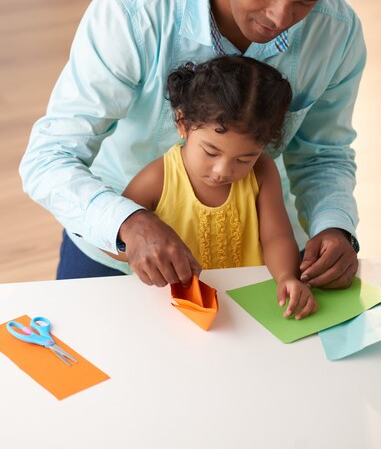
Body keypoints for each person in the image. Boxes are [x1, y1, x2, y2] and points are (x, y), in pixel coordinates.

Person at [19, 0, 366, 289]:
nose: (280, 18)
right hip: (116, 246)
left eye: (306, 2)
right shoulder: (134, 11)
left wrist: (335, 227)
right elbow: (49, 156)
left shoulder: (337, 33)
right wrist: (129, 221)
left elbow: (323, 154)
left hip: (254, 257)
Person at [106, 55, 316, 319]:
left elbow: (277, 237)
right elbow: (114, 236)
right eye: (210, 152)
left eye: (244, 159)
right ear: (183, 124)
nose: (223, 171)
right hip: (171, 307)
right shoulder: (158, 178)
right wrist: (137, 249)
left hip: (247, 303)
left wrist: (287, 277)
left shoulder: (262, 172)